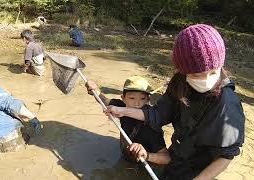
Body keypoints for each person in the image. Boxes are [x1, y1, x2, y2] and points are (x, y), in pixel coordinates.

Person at [104, 24, 245, 180]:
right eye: (197, 75)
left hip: (202, 168)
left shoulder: (226, 103)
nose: (207, 81)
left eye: (213, 72)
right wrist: (123, 111)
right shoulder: (179, 83)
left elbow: (227, 154)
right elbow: (158, 114)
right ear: (183, 70)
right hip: (179, 153)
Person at [86, 76, 170, 165]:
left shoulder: (150, 127)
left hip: (144, 164)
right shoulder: (120, 106)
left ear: (148, 100)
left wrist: (147, 155)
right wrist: (95, 90)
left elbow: (167, 158)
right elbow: (104, 100)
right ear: (123, 98)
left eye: (142, 98)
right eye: (132, 98)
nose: (137, 103)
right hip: (125, 153)